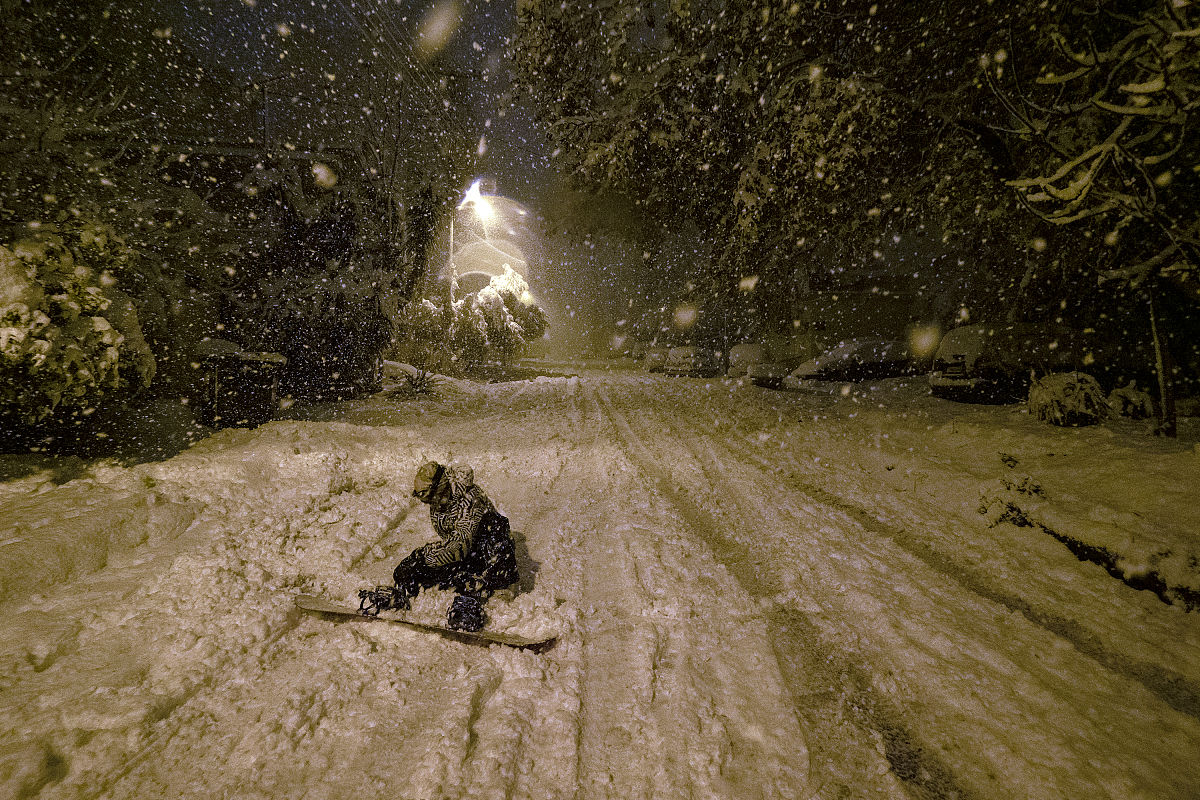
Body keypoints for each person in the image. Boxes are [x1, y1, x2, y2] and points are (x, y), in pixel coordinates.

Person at [358, 461, 519, 631]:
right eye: (422, 498)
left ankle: (492, 594)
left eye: (426, 496)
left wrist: (425, 557)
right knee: (406, 571)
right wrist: (414, 565)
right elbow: (451, 543)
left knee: (496, 528)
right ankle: (401, 596)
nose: (426, 502)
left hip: (489, 559)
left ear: (438, 488)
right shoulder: (439, 502)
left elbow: (460, 545)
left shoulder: (469, 500)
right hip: (467, 556)